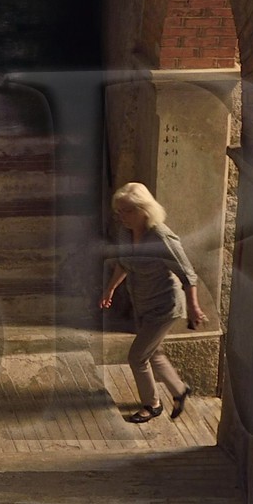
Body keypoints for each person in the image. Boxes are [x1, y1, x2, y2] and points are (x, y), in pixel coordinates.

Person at [100, 181, 204, 423]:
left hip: (164, 306)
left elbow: (187, 274)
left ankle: (152, 405)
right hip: (142, 302)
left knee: (137, 357)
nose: (122, 216)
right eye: (119, 211)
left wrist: (194, 307)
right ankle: (179, 390)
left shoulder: (161, 237)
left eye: (127, 211)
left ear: (143, 210)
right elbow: (124, 263)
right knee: (153, 352)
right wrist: (110, 290)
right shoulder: (126, 232)